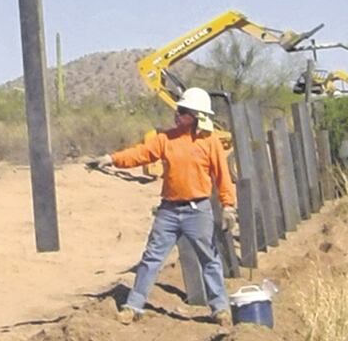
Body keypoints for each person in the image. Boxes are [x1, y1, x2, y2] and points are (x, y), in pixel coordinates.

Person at [87, 87, 237, 326]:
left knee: (209, 259)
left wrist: (228, 206)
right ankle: (133, 306)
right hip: (168, 211)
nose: (177, 114)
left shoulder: (211, 143)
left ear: (198, 115)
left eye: (183, 111)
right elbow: (141, 154)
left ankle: (220, 309)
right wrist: (111, 159)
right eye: (178, 110)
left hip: (198, 210)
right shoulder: (166, 139)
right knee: (151, 258)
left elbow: (223, 177)